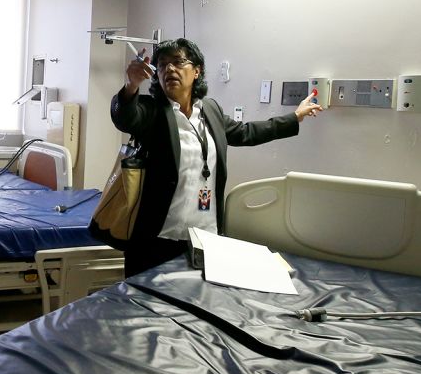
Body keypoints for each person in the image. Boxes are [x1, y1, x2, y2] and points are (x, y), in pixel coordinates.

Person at [110, 37, 322, 277]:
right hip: (158, 238)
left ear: (197, 71)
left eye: (178, 62)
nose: (169, 68)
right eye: (162, 65)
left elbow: (246, 133)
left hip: (205, 236)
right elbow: (125, 117)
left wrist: (294, 117)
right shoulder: (151, 111)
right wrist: (131, 86)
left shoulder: (210, 110)